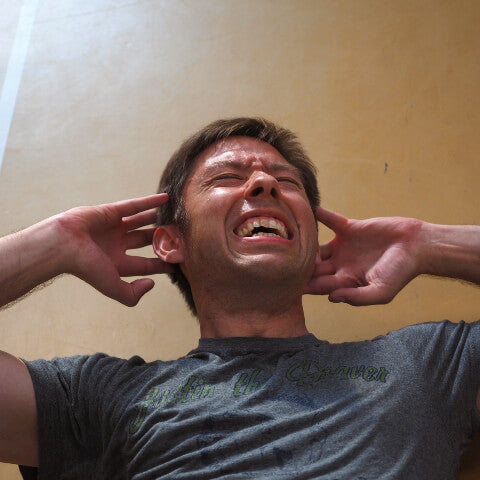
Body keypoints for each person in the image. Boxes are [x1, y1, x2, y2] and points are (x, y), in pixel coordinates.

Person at [0, 117, 478, 479]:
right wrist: (54, 243)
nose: (264, 183)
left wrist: (428, 243)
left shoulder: (425, 365)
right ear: (170, 242)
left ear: (312, 244)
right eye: (226, 177)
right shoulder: (102, 398)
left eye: (285, 181)